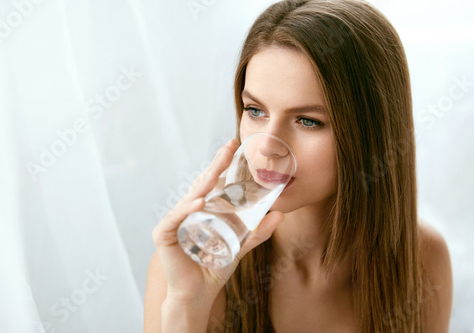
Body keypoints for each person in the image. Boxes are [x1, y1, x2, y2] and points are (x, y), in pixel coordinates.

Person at [144, 0, 453, 332]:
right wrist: (187, 304)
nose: (266, 146)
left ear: (371, 132)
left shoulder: (421, 260)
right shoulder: (192, 263)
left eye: (307, 121)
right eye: (255, 110)